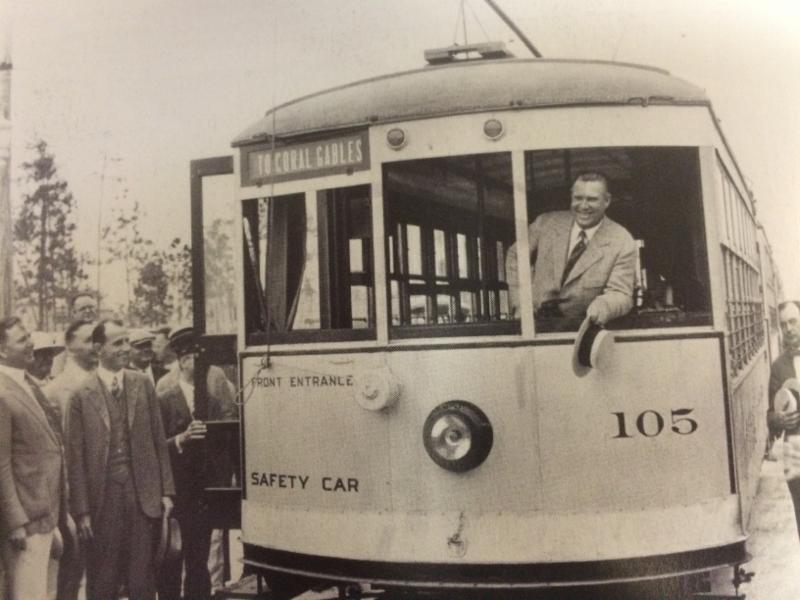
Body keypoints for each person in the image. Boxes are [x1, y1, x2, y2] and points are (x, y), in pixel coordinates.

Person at [66, 319, 174, 600]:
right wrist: (82, 512)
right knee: (103, 581)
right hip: (102, 503)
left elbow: (157, 440)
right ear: (98, 348)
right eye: (118, 343)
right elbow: (74, 459)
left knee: (142, 582)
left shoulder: (142, 384)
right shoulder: (80, 395)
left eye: (127, 341)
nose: (126, 348)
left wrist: (166, 492)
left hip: (142, 499)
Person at [0, 317, 71, 600]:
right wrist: (15, 521)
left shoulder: (27, 383)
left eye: (28, 336)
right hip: (26, 519)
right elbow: (1, 462)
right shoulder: (3, 391)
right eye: (21, 340)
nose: (30, 343)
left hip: (46, 512)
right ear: (2, 350)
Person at [507, 172, 636, 325]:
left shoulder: (621, 239)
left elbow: (621, 293)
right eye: (578, 198)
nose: (583, 206)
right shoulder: (545, 223)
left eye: (592, 199)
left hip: (582, 328)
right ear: (571, 197)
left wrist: (603, 307)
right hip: (534, 325)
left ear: (607, 201)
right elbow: (516, 255)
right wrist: (522, 302)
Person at [156, 327, 212, 600]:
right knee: (172, 558)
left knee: (199, 562)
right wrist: (181, 439)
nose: (200, 363)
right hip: (177, 491)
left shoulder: (209, 395)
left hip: (204, 493)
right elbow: (155, 447)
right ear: (182, 361)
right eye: (193, 357)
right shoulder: (165, 398)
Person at [43, 320, 97, 600]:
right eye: (87, 340)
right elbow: (59, 452)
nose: (93, 346)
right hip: (73, 496)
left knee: (103, 571)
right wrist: (68, 506)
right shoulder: (58, 390)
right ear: (70, 345)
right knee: (73, 570)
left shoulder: (105, 380)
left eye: (96, 340)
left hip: (104, 491)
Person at [768, 301, 800, 535]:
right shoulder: (778, 367)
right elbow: (770, 414)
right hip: (794, 450)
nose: (788, 328)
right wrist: (778, 420)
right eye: (783, 324)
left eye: (793, 321)